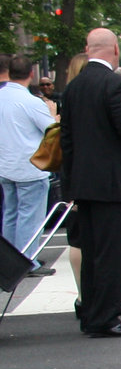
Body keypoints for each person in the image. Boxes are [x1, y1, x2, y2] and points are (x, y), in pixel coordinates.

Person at [61, 29, 121, 336]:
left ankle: (92, 312)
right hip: (116, 185)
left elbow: (67, 142)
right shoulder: (116, 84)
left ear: (88, 50)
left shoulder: (74, 87)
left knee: (93, 255)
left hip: (85, 184)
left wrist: (70, 188)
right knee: (115, 255)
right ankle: (107, 317)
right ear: (115, 49)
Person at [0, 52, 56, 270]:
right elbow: (51, 131)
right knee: (30, 217)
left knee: (10, 215)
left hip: (5, 164)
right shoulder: (31, 102)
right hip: (30, 165)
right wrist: (53, 115)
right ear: (31, 74)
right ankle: (27, 260)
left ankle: (10, 260)